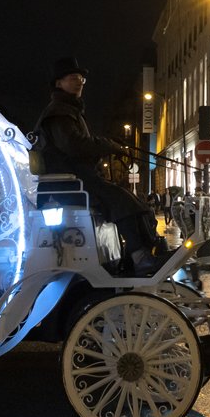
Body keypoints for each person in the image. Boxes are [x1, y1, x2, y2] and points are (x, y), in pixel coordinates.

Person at [34, 56, 168, 274]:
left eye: (81, 79)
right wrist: (107, 145)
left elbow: (78, 144)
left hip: (78, 178)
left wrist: (110, 146)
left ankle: (146, 251)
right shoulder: (58, 112)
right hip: (71, 182)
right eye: (72, 78)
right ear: (59, 83)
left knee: (129, 199)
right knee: (121, 200)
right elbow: (73, 145)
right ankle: (139, 256)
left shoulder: (68, 111)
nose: (79, 81)